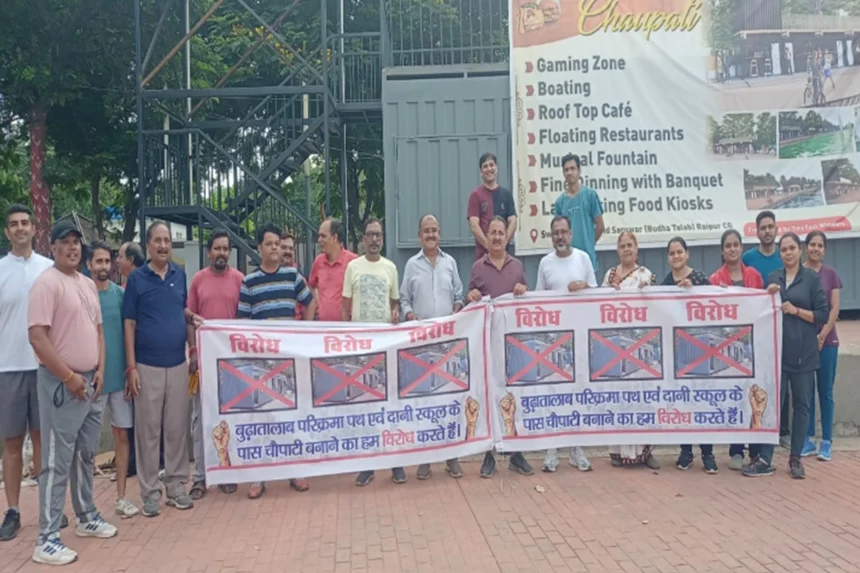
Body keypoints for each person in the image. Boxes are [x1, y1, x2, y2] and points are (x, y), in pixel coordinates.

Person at [28, 221, 117, 565]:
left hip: (91, 383)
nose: (72, 248)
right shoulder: (46, 284)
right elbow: (38, 337)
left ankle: (86, 515)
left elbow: (98, 331)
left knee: (85, 454)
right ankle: (47, 537)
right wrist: (68, 377)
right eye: (64, 242)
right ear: (52, 247)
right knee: (55, 462)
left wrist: (100, 370)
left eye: (76, 242)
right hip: (61, 386)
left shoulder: (85, 284)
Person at [238, 224, 316, 497]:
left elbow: (310, 301)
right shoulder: (249, 282)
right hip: (261, 362)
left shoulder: (292, 276)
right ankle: (259, 477)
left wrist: (304, 332)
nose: (274, 248)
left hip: (289, 360)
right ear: (259, 248)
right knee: (260, 418)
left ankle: (296, 472)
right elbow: (243, 322)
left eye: (277, 244)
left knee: (292, 415)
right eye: (269, 244)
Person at [123, 221, 195, 517]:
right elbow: (129, 323)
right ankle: (150, 492)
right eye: (158, 241)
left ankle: (177, 486)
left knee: (177, 429)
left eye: (167, 241)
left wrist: (192, 348)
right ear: (148, 245)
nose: (164, 246)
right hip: (147, 365)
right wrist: (131, 368)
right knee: (148, 432)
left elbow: (181, 310)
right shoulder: (137, 279)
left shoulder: (180, 274)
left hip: (178, 364)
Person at [744, 233, 829, 479]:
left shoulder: (811, 279)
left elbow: (822, 315)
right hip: (777, 355)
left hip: (804, 354)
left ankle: (795, 459)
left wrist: (796, 310)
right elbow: (761, 312)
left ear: (799, 250)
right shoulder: (773, 278)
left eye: (792, 248)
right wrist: (767, 294)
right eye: (784, 249)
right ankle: (765, 459)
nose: (788, 253)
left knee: (801, 406)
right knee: (772, 406)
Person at [0, 205, 54, 541]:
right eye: (13, 225)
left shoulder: (48, 269)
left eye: (25, 223)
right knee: (11, 443)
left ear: (34, 229)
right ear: (7, 232)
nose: (20, 229)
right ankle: (14, 510)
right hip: (7, 367)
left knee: (42, 439)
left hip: (44, 366)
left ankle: (47, 508)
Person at [399, 214, 465, 480]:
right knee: (425, 402)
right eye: (426, 230)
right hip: (422, 347)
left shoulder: (451, 263)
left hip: (447, 345)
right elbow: (404, 299)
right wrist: (410, 315)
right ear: (419, 235)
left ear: (440, 233)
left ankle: (451, 457)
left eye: (434, 230)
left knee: (449, 401)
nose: (430, 235)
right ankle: (425, 458)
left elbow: (459, 295)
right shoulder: (411, 266)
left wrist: (458, 313)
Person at [466, 216, 532, 478]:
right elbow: (470, 300)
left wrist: (523, 289)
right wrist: (471, 297)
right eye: (492, 232)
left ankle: (516, 453)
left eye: (500, 233)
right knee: (489, 395)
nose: (496, 237)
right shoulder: (477, 268)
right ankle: (489, 454)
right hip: (487, 346)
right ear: (487, 236)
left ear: (507, 237)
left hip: (512, 346)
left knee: (512, 396)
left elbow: (526, 297)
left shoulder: (517, 266)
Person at [344, 218, 402, 486]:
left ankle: (395, 463)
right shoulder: (352, 267)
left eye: (378, 235)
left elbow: (395, 305)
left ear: (383, 238)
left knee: (390, 404)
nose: (374, 240)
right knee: (365, 407)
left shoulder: (390, 268)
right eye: (370, 235)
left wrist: (395, 313)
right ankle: (367, 465)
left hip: (385, 348)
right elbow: (346, 308)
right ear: (363, 238)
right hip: (361, 350)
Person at [535, 215, 595, 473]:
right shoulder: (544, 263)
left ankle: (577, 448)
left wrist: (585, 286)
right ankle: (552, 449)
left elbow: (596, 293)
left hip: (580, 337)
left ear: (571, 234)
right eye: (555, 232)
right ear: (552, 236)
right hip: (554, 340)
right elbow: (537, 300)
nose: (560, 236)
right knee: (553, 394)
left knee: (577, 393)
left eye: (564, 232)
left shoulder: (583, 258)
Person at [187, 230, 244, 498]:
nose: (222, 253)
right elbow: (190, 319)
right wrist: (194, 352)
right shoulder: (198, 280)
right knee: (200, 421)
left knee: (228, 419)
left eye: (226, 249)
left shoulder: (240, 280)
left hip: (231, 365)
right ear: (209, 252)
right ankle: (200, 476)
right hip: (204, 364)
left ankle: (227, 472)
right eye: (217, 249)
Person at [86, 241, 139, 519]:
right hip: (92, 380)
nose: (104, 266)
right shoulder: (83, 295)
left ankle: (121, 497)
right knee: (88, 444)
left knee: (122, 436)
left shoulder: (120, 295)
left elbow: (130, 331)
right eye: (99, 262)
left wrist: (130, 371)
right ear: (89, 265)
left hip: (119, 379)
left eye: (107, 261)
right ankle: (87, 503)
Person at [602, 231, 660, 469]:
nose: (626, 249)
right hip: (617, 346)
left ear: (637, 249)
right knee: (619, 399)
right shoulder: (610, 275)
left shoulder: (645, 275)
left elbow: (655, 307)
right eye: (622, 245)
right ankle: (618, 452)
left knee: (643, 399)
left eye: (630, 245)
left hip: (641, 345)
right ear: (617, 250)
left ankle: (646, 453)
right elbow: (600, 304)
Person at [662, 236, 718, 474]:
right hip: (677, 353)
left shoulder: (700, 278)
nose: (676, 256)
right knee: (682, 403)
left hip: (700, 349)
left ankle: (708, 453)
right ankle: (685, 452)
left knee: (701, 402)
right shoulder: (664, 284)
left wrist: (692, 291)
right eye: (672, 253)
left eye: (679, 252)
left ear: (687, 254)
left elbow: (712, 305)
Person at [709, 229, 763, 471]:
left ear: (741, 248)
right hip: (728, 349)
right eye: (727, 245)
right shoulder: (714, 280)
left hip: (752, 346)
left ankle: (755, 450)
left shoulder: (754, 275)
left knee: (753, 397)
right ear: (722, 251)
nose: (732, 249)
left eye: (735, 244)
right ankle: (736, 450)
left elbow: (763, 308)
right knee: (735, 397)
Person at [742, 211, 790, 447]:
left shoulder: (785, 255)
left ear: (776, 229)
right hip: (757, 328)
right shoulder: (748, 258)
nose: (768, 231)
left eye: (771, 227)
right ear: (757, 231)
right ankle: (759, 426)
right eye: (763, 228)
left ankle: (783, 430)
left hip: (782, 323)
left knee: (783, 378)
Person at [801, 231, 842, 462]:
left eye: (820, 245)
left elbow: (834, 309)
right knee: (806, 393)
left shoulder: (832, 275)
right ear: (805, 247)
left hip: (828, 342)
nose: (816, 248)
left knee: (825, 392)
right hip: (805, 342)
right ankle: (808, 439)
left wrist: (823, 333)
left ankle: (826, 442)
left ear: (824, 249)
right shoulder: (800, 273)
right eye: (812, 244)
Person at [553, 153, 605, 272]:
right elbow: (558, 232)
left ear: (579, 170)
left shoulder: (590, 195)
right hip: (567, 262)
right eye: (566, 170)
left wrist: (589, 243)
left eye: (572, 168)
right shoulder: (560, 202)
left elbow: (600, 226)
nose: (569, 172)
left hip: (588, 261)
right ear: (563, 173)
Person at [467, 152, 517, 260]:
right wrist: (489, 247)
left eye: (491, 165)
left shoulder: (506, 195)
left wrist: (502, 245)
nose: (489, 169)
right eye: (485, 166)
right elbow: (474, 226)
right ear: (481, 172)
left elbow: (513, 222)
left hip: (504, 258)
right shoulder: (475, 195)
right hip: (483, 257)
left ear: (496, 168)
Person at [309, 218, 357, 322]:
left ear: (335, 237)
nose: (319, 240)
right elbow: (311, 286)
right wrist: (318, 304)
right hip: (323, 328)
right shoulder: (318, 261)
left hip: (347, 329)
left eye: (323, 236)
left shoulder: (353, 262)